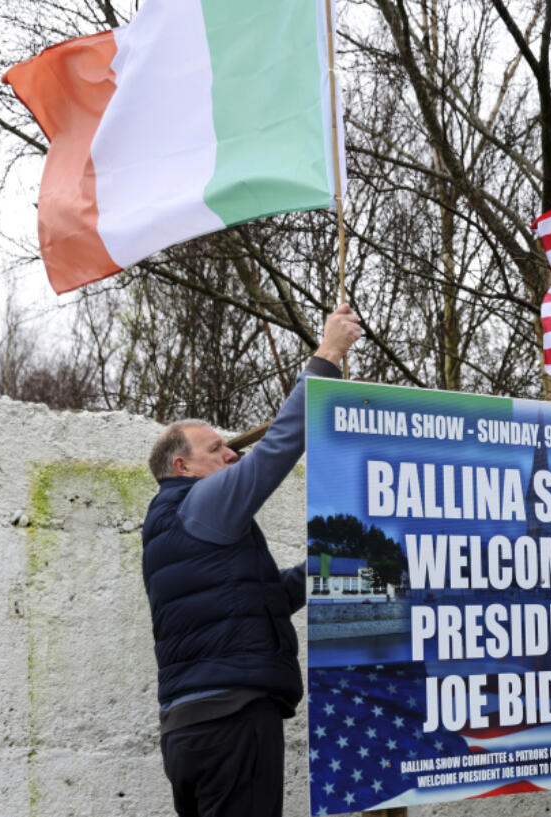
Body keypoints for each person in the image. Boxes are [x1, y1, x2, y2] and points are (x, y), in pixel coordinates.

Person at [141, 304, 360, 817]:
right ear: (183, 466)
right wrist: (328, 354)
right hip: (232, 721)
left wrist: (336, 568)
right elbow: (278, 447)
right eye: (217, 449)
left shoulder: (173, 528)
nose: (232, 456)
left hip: (190, 730)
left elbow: (263, 600)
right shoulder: (202, 503)